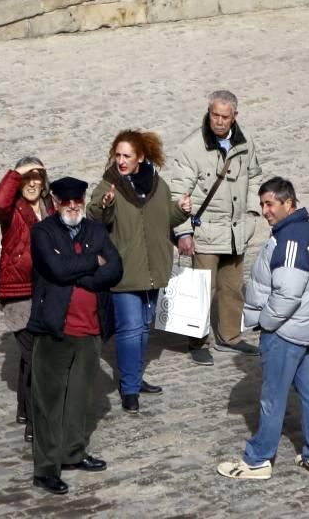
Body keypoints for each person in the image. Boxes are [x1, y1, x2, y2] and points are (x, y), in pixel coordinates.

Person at [217, 177, 309, 480]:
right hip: (304, 330)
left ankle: (258, 460)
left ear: (289, 203)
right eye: (262, 204)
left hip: (286, 332)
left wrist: (266, 323)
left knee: (273, 396)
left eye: (270, 204)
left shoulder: (291, 240)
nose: (265, 210)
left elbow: (288, 293)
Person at [26, 176, 123, 495]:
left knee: (80, 398)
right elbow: (54, 268)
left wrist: (83, 277)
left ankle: (73, 452)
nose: (72, 206)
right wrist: (91, 263)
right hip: (55, 328)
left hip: (90, 329)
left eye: (77, 201)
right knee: (49, 402)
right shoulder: (43, 232)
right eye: (65, 201)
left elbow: (115, 268)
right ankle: (46, 468)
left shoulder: (95, 230)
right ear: (54, 202)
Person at [87, 130, 191, 414]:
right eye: (117, 155)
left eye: (126, 156)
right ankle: (129, 389)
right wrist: (104, 204)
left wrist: (180, 211)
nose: (120, 161)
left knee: (144, 327)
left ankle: (134, 376)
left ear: (140, 158)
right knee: (130, 329)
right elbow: (94, 214)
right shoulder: (109, 184)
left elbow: (164, 217)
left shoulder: (158, 184)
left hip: (154, 268)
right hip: (123, 270)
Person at [166, 90, 263, 366]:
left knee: (232, 287)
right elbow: (178, 195)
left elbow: (255, 176)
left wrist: (253, 211)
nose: (219, 121)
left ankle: (230, 335)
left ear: (235, 117)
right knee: (200, 288)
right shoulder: (192, 147)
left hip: (236, 231)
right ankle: (196, 340)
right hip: (206, 231)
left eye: (224, 116)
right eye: (214, 115)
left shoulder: (246, 144)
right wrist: (184, 232)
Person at [0, 157, 55, 443]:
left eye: (36, 177)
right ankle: (37, 425)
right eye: (26, 178)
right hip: (19, 295)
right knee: (39, 359)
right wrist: (16, 173)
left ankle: (25, 409)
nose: (31, 183)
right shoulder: (12, 211)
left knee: (34, 357)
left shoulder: (49, 207)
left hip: (46, 292)